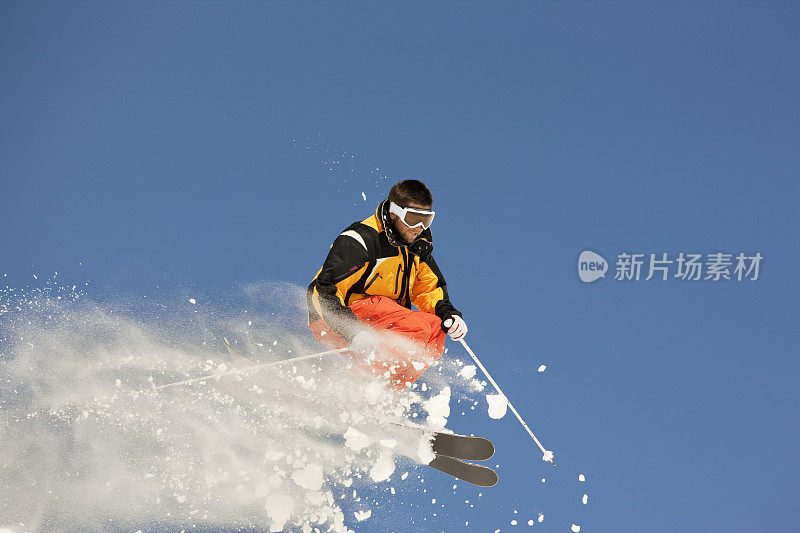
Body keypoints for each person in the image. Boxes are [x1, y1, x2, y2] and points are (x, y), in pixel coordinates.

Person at [307, 179, 467, 390]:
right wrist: (353, 331)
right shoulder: (361, 240)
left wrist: (448, 314)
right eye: (412, 219)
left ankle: (384, 396)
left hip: (382, 320)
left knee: (435, 332)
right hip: (337, 319)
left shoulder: (416, 248)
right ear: (394, 213)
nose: (419, 228)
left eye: (426, 220)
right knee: (418, 327)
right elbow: (322, 292)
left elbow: (428, 289)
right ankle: (357, 386)